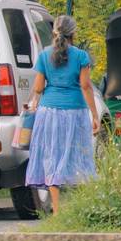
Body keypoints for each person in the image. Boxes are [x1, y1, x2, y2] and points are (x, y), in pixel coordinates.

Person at [23, 15, 98, 214]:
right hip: (75, 112)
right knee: (78, 154)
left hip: (48, 112)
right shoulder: (81, 55)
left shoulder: (44, 56)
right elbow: (86, 86)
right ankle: (80, 207)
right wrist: (95, 115)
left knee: (51, 155)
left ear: (54, 32)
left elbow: (38, 88)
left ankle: (56, 210)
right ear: (73, 34)